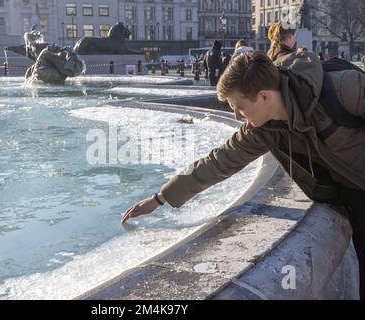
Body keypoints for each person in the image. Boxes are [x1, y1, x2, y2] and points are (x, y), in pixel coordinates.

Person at [121, 50, 365, 299]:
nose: (237, 116)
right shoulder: (262, 129)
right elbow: (218, 162)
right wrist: (161, 197)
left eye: (239, 108)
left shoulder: (342, 89)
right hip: (353, 195)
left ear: (263, 96)